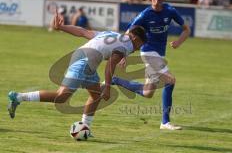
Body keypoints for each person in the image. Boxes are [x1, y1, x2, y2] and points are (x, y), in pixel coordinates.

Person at [7, 12, 147, 134]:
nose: (139, 48)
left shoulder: (111, 34)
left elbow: (83, 32)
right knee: (61, 97)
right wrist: (108, 87)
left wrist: (62, 27)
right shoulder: (128, 44)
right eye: (141, 44)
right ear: (135, 38)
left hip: (84, 59)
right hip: (85, 62)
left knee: (95, 95)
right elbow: (110, 65)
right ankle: (18, 97)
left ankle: (85, 128)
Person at [111, 0, 191, 130]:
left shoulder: (170, 11)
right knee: (170, 80)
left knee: (148, 93)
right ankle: (165, 122)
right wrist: (123, 53)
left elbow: (186, 29)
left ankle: (116, 80)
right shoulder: (145, 15)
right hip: (148, 52)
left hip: (159, 55)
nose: (156, 2)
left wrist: (179, 41)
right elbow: (127, 33)